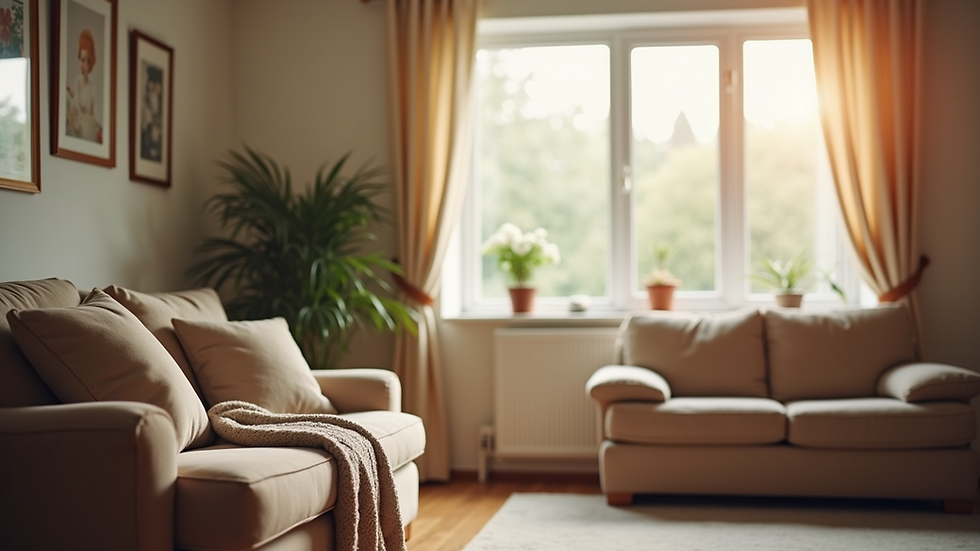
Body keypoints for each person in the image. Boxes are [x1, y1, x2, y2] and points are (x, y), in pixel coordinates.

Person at [66, 29, 102, 143]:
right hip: (78, 124)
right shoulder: (77, 81)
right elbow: (77, 104)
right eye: (82, 60)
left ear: (91, 64)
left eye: (87, 61)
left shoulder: (92, 87)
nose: (83, 65)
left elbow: (91, 113)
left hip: (87, 126)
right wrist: (71, 93)